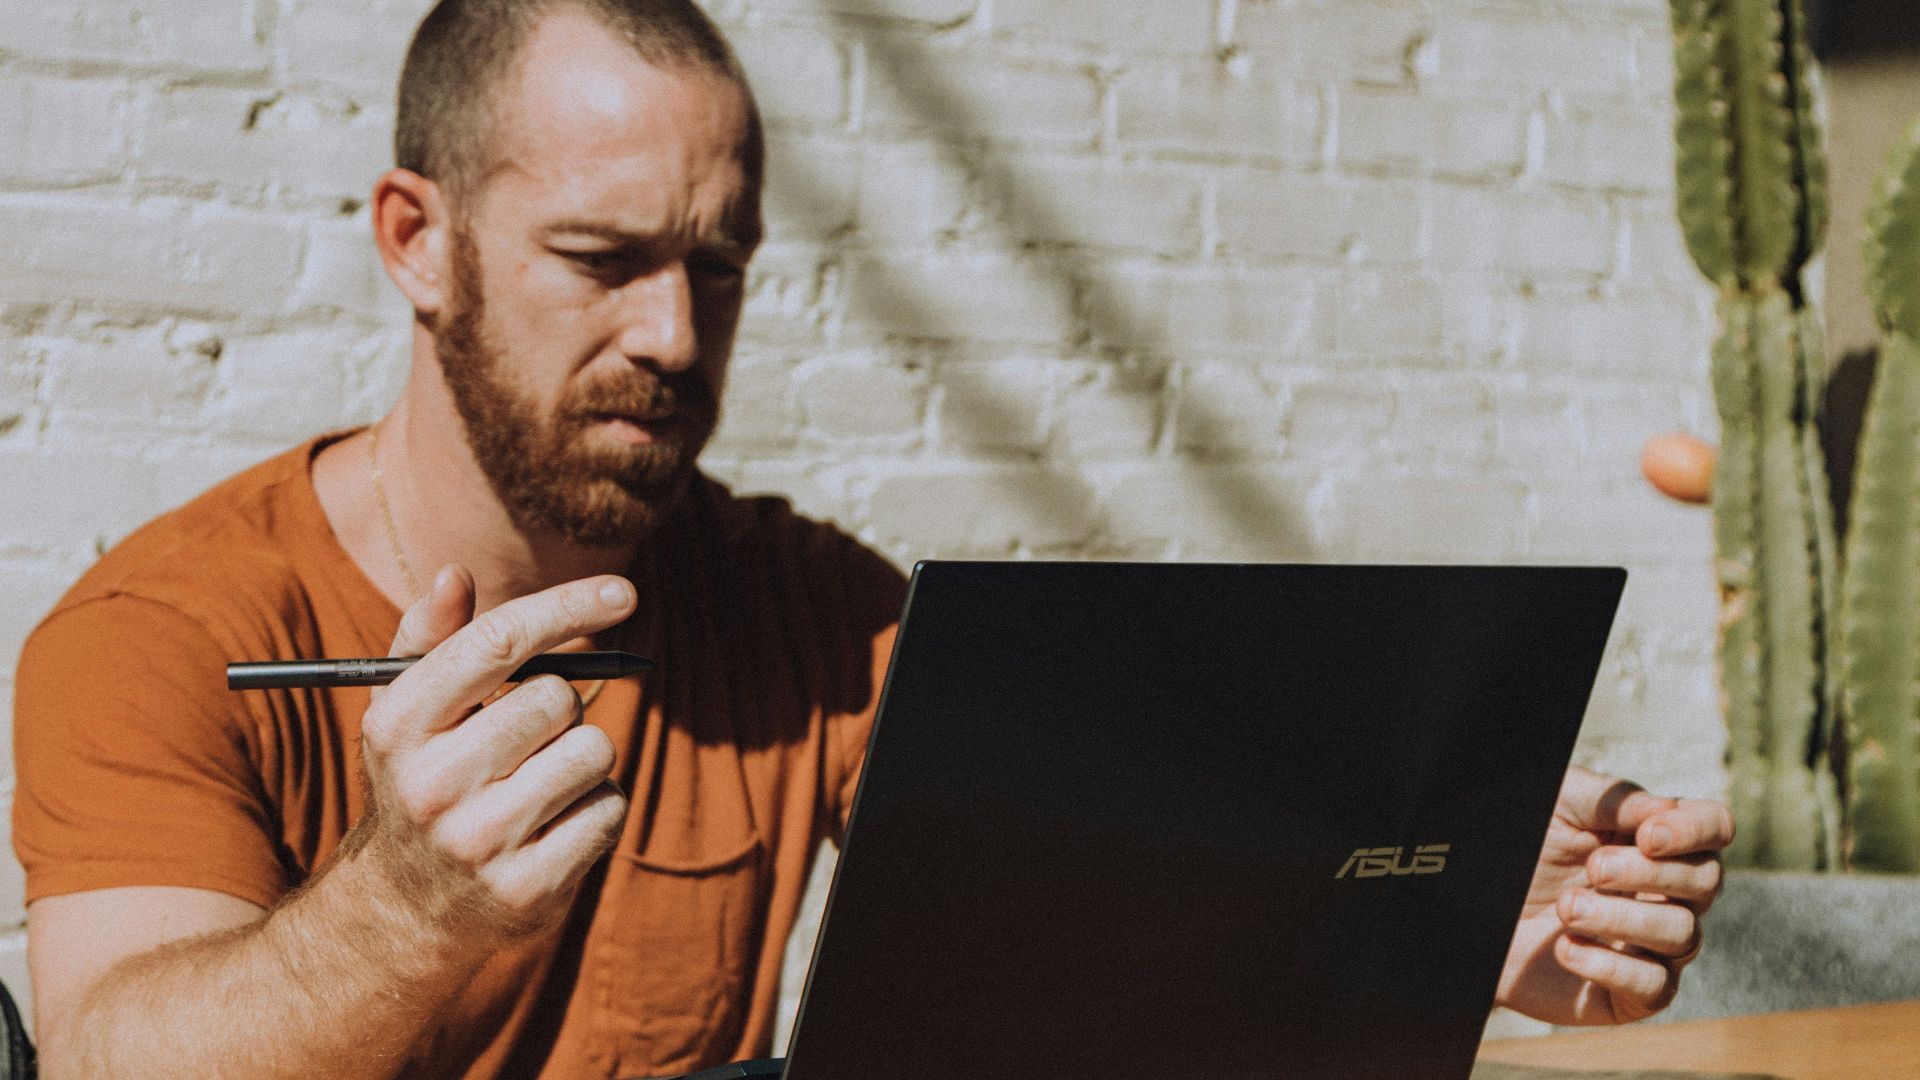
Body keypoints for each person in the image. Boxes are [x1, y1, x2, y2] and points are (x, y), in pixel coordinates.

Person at [9, 1, 1735, 1077]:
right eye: (605, 259)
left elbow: (1111, 902)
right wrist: (399, 906)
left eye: (722, 268)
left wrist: (1430, 926)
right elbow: (108, 1059)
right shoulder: (167, 627)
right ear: (418, 241)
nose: (679, 337)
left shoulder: (804, 614)